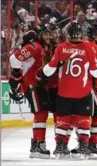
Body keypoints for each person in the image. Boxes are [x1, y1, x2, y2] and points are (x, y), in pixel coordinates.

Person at [38, 22, 97, 158]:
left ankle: (60, 146)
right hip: (84, 91)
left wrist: (42, 72)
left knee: (64, 120)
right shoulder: (88, 48)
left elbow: (49, 69)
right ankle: (85, 145)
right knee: (84, 119)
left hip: (63, 92)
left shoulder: (61, 47)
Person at [9, 25, 52, 159]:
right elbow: (13, 59)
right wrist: (16, 76)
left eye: (49, 34)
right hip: (33, 85)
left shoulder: (42, 47)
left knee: (42, 113)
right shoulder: (35, 46)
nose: (48, 36)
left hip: (37, 85)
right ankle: (38, 144)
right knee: (40, 114)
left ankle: (36, 144)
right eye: (45, 34)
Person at [71, 24, 97, 157]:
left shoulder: (78, 46)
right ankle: (93, 143)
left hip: (75, 86)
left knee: (81, 116)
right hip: (92, 86)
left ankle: (83, 143)